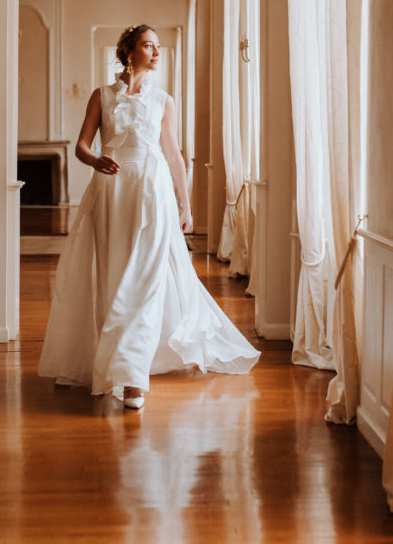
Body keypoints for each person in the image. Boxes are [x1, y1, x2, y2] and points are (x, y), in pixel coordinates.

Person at [37, 24, 259, 409]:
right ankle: (111, 365)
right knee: (113, 276)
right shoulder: (101, 96)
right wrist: (96, 160)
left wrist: (185, 206)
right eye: (148, 46)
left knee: (146, 281)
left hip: (152, 194)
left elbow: (173, 155)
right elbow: (81, 146)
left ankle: (134, 379)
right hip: (111, 194)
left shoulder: (163, 101)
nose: (156, 53)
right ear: (128, 50)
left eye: (158, 47)